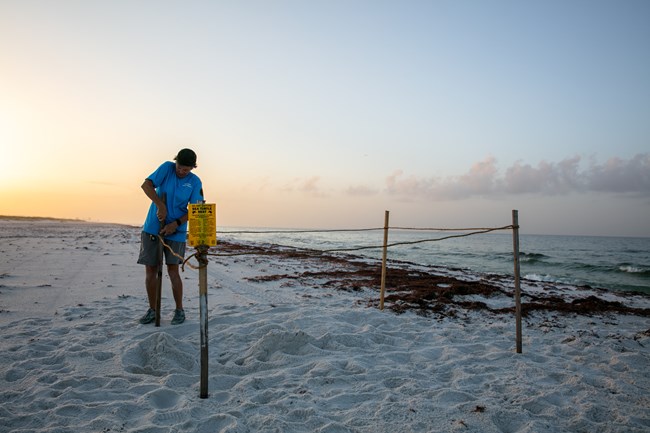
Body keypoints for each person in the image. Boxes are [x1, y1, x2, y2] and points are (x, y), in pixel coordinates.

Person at [137, 148, 204, 325]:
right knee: (151, 269)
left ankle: (179, 310)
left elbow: (195, 210)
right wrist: (160, 205)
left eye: (186, 170)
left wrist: (175, 224)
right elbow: (146, 185)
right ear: (175, 162)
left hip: (177, 232)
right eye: (180, 167)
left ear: (192, 168)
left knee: (173, 270)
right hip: (153, 227)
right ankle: (152, 309)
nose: (181, 172)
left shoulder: (195, 182)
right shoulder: (167, 168)